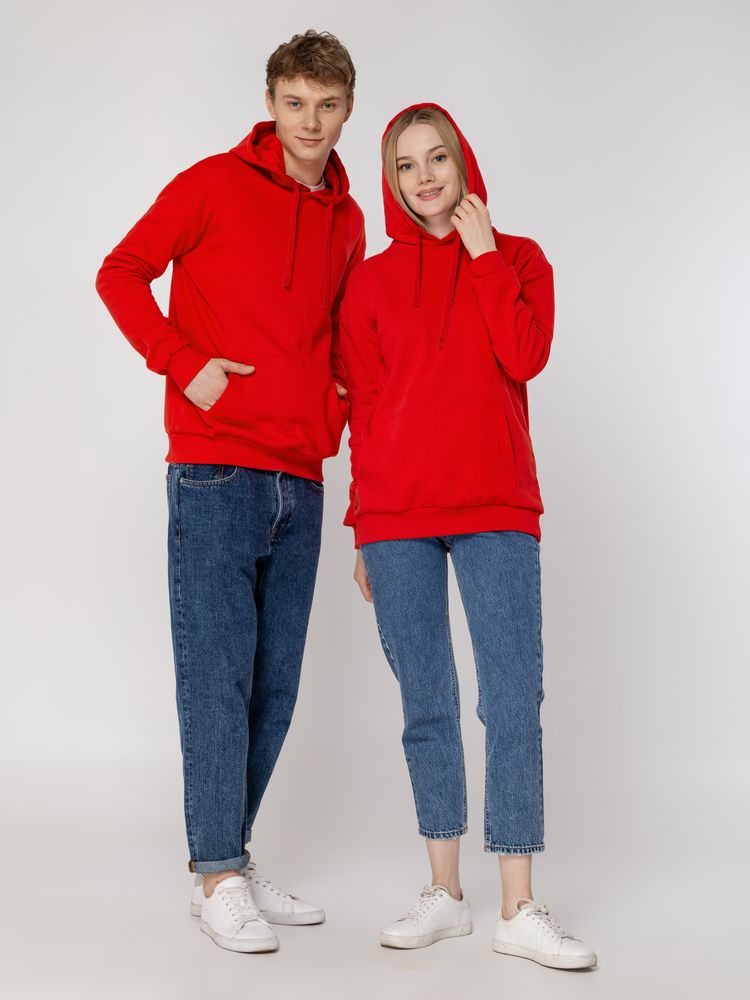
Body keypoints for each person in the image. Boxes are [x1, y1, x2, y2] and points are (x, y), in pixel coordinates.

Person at [95, 30, 365, 954]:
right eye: (295, 103)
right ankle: (215, 874)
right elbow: (120, 272)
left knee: (274, 687)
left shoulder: (348, 220)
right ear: (271, 103)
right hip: (215, 466)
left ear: (347, 111)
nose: (310, 122)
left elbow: (340, 339)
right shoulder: (211, 184)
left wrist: (336, 407)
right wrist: (183, 363)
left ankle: (230, 859)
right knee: (217, 678)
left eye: (326, 106)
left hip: (302, 476)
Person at [339, 102, 597, 970]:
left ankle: (518, 907)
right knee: (427, 703)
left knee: (512, 698)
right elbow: (364, 409)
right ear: (391, 181)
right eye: (405, 165)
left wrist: (483, 259)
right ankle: (445, 893)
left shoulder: (519, 259)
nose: (424, 177)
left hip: (496, 506)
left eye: (437, 158)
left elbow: (524, 356)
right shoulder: (370, 283)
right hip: (397, 519)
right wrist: (360, 524)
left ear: (463, 162)